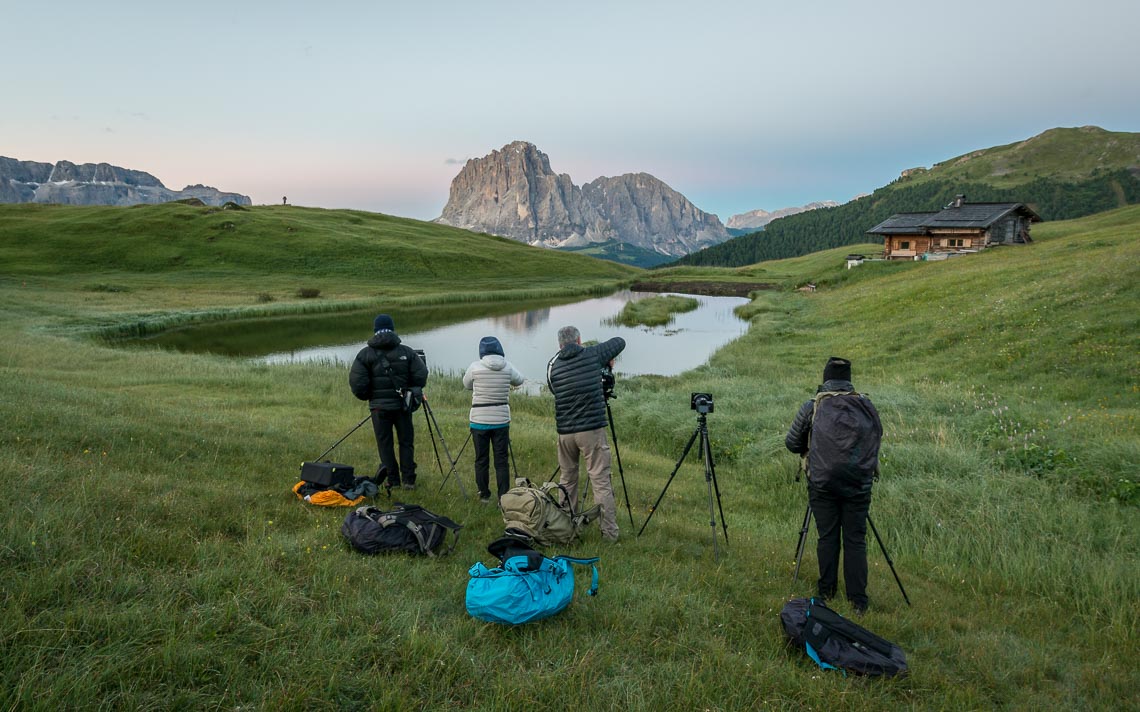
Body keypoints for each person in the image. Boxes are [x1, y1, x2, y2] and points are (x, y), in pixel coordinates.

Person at [785, 357, 883, 614]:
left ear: (825, 377)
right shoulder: (866, 405)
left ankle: (827, 592)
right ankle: (858, 602)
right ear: (849, 380)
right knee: (855, 540)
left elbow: (791, 443)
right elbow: (875, 441)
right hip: (859, 485)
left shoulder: (812, 406)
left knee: (827, 537)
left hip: (823, 484)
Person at [546, 325, 626, 542]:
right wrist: (601, 359)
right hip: (590, 431)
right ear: (579, 340)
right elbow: (620, 341)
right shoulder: (592, 354)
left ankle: (564, 528)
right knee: (600, 480)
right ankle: (609, 533)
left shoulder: (553, 366)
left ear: (559, 344)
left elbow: (554, 389)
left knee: (567, 480)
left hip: (564, 433)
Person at [349, 314, 428, 490]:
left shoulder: (365, 354)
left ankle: (392, 480)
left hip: (378, 408)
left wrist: (370, 396)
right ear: (392, 329)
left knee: (385, 444)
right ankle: (409, 480)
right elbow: (421, 376)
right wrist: (412, 390)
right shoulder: (407, 352)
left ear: (375, 331)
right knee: (406, 442)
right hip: (402, 406)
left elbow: (357, 383)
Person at [462, 336, 525, 504]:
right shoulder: (508, 366)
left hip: (479, 420)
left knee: (481, 459)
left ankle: (484, 495)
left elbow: (466, 384)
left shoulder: (474, 367)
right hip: (501, 421)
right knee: (501, 461)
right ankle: (503, 496)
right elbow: (520, 380)